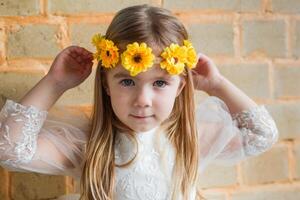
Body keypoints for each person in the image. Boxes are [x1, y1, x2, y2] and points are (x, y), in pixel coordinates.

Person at [0, 4, 279, 200]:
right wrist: (55, 83)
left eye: (160, 83)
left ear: (180, 86)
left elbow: (262, 135)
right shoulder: (91, 145)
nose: (142, 100)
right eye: (127, 81)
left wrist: (217, 85)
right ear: (106, 85)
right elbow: (9, 149)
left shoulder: (191, 139)